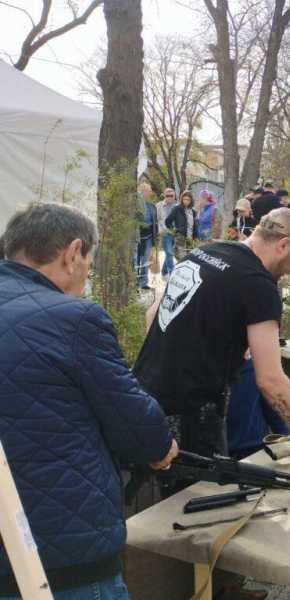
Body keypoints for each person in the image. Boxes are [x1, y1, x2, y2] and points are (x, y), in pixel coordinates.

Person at [0, 203, 177, 599]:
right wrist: (163, 447)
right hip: (65, 555)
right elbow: (138, 426)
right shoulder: (74, 319)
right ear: (73, 252)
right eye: (89, 263)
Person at [133, 208, 290, 468]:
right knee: (202, 500)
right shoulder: (259, 285)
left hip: (144, 398)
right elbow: (270, 380)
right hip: (194, 417)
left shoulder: (204, 253)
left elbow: (153, 315)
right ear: (283, 245)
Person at [135, 182, 158, 290]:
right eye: (148, 191)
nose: (150, 193)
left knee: (145, 261)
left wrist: (155, 240)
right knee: (135, 260)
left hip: (149, 236)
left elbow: (155, 223)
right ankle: (134, 284)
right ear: (142, 191)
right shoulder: (134, 205)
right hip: (136, 237)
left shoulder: (152, 206)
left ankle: (143, 283)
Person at [166, 191, 198, 261]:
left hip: (191, 238)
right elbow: (168, 221)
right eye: (184, 199)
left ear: (191, 201)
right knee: (181, 258)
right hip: (180, 237)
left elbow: (195, 225)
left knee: (190, 259)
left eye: (188, 200)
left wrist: (195, 237)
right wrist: (175, 231)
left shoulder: (193, 211)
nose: (186, 201)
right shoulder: (177, 209)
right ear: (182, 199)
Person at [156, 187, 178, 280]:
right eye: (167, 195)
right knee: (169, 253)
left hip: (176, 233)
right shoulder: (159, 206)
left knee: (170, 253)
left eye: (171, 195)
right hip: (165, 233)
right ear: (164, 196)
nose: (169, 197)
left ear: (174, 196)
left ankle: (164, 272)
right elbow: (156, 220)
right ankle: (172, 274)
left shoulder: (177, 206)